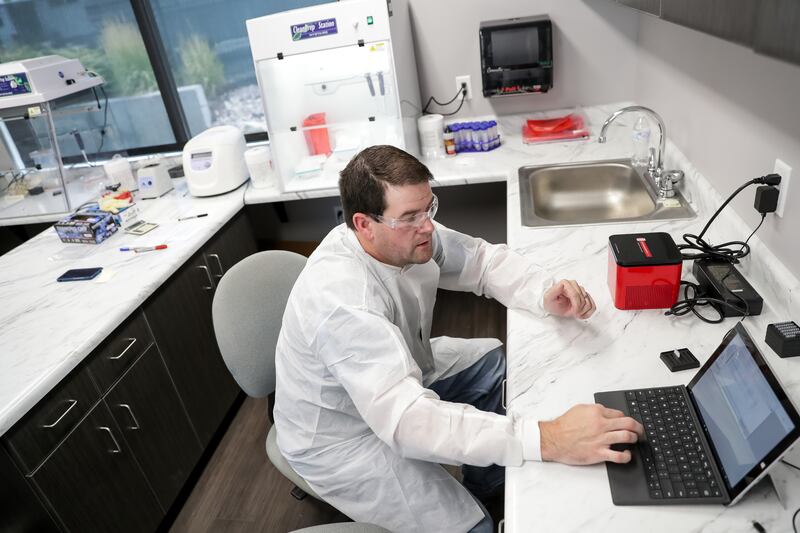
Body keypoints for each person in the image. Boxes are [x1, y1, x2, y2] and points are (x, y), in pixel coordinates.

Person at [273, 145, 644, 533]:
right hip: (342, 437)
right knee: (474, 527)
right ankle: (480, 508)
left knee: (493, 368)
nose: (428, 228)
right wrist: (547, 438)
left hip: (393, 375)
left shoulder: (400, 236)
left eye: (429, 208)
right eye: (411, 217)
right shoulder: (342, 302)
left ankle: (488, 485)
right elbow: (407, 421)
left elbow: (479, 260)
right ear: (364, 224)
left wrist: (542, 291)